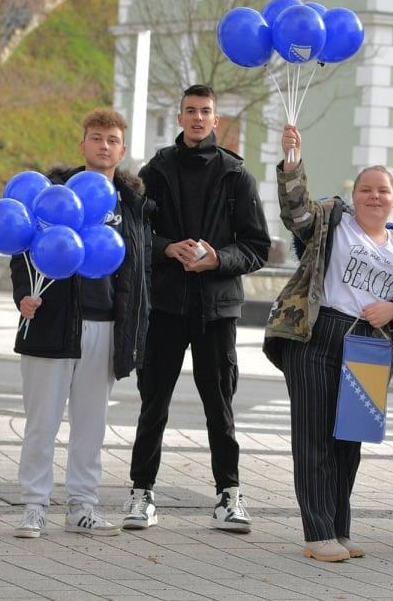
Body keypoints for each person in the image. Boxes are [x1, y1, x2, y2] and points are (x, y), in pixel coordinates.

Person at [263, 123, 393, 562]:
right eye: (367, 190)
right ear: (354, 196)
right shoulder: (331, 222)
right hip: (317, 335)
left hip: (371, 347)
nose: (374, 197)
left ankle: (339, 526)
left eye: (383, 191)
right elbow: (294, 210)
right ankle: (317, 533)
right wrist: (293, 162)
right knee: (315, 436)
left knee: (348, 441)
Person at [125, 85, 271, 532]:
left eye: (205, 111)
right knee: (154, 406)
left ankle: (229, 496)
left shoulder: (235, 175)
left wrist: (216, 258)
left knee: (219, 408)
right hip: (166, 307)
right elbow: (136, 237)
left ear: (216, 120)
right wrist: (169, 249)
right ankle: (141, 495)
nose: (197, 118)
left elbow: (257, 247)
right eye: (190, 111)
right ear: (180, 118)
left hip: (216, 310)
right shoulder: (156, 170)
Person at [12, 109, 152, 538]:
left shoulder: (132, 205)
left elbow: (137, 269)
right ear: (83, 144)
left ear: (122, 149)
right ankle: (34, 507)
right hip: (53, 324)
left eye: (112, 139)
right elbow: (21, 247)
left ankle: (82, 507)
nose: (104, 145)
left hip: (106, 325)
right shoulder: (53, 195)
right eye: (96, 137)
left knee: (91, 424)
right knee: (42, 423)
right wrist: (23, 295)